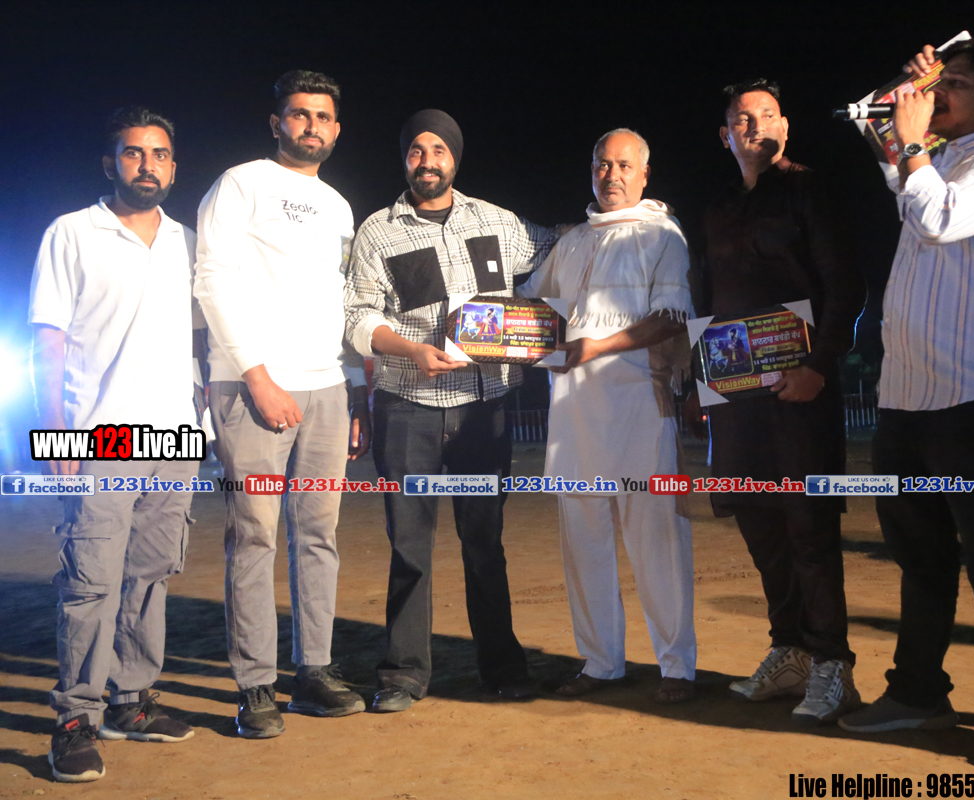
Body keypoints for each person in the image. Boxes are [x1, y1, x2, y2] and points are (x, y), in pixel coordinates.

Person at [835, 38, 974, 768]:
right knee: (920, 559)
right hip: (907, 396)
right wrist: (909, 89)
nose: (937, 98)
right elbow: (871, 123)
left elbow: (939, 219)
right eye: (938, 84)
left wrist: (912, 143)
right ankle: (917, 692)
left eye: (956, 84)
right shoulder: (929, 160)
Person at [344, 109, 557, 711]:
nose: (428, 161)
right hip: (407, 408)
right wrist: (412, 349)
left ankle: (502, 667)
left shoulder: (497, 222)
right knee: (409, 547)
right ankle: (403, 675)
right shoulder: (378, 232)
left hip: (484, 411)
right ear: (404, 159)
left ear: (454, 158)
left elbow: (562, 243)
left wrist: (630, 219)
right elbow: (357, 315)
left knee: (484, 544)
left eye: (439, 150)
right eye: (417, 150)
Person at [193, 70, 371, 739]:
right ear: (277, 123)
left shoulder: (339, 206)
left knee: (319, 536)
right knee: (255, 536)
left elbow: (335, 299)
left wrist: (348, 389)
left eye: (322, 117)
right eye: (299, 114)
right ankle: (255, 686)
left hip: (325, 388)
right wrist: (256, 376)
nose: (311, 126)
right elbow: (210, 280)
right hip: (252, 387)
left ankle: (313, 672)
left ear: (336, 129)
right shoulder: (241, 183)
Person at [687, 80, 867, 725]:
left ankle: (832, 664)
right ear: (725, 135)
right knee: (757, 522)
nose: (754, 125)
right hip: (735, 394)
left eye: (766, 115)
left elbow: (846, 285)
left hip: (800, 390)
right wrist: (699, 382)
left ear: (784, 127)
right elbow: (705, 300)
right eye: (742, 118)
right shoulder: (716, 208)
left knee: (808, 528)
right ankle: (789, 650)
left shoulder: (811, 191)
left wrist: (819, 367)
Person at [30, 107, 201, 782]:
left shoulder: (188, 242)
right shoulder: (72, 232)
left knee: (150, 576)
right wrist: (55, 434)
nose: (147, 165)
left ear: (173, 167)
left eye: (159, 154)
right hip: (100, 438)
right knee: (89, 581)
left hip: (175, 437)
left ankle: (131, 700)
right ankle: (75, 718)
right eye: (134, 153)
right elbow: (48, 340)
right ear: (111, 164)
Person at [518, 128, 697, 704]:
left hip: (641, 409)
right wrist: (486, 330)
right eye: (602, 164)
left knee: (658, 542)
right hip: (573, 415)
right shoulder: (572, 241)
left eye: (623, 165)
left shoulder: (663, 234)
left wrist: (596, 347)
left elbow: (672, 317)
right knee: (584, 544)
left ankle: (677, 667)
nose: (611, 175)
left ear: (644, 174)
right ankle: (600, 662)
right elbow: (529, 306)